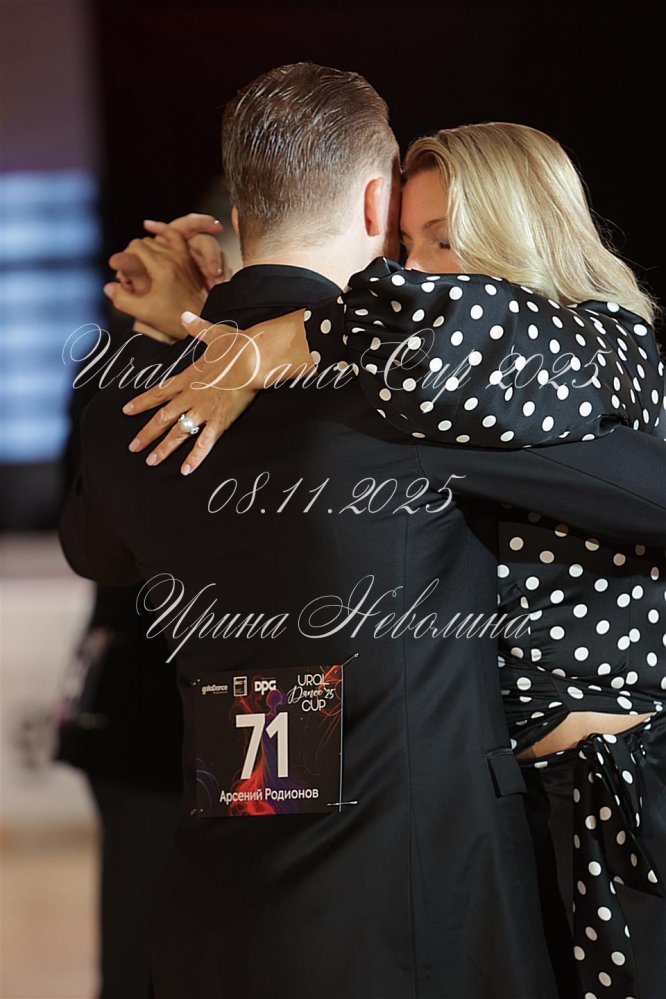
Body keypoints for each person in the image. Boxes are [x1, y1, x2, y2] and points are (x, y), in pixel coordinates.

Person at [59, 65, 666, 999]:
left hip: (221, 925)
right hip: (427, 921)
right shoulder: (410, 392)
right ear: (379, 205)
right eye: (417, 239)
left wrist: (175, 334)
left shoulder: (138, 398)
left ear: (240, 205)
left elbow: (94, 550)